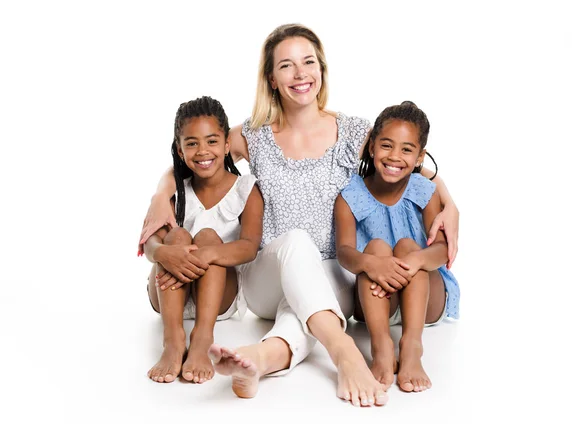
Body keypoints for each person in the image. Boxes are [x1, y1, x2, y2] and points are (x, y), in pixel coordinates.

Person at [138, 24, 459, 407]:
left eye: (308, 62)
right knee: (297, 244)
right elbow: (201, 156)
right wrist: (161, 193)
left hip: (334, 274)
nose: (300, 73)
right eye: (286, 66)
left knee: (306, 306)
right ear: (272, 78)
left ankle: (257, 360)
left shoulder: (354, 132)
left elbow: (407, 164)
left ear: (321, 70)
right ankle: (344, 353)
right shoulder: (254, 134)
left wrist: (451, 205)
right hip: (267, 275)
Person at [334, 101, 460, 393]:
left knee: (406, 246)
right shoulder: (351, 195)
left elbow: (442, 249)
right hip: (378, 299)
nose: (394, 156)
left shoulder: (424, 190)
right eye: (387, 146)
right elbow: (344, 252)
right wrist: (371, 264)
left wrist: (414, 261)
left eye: (406, 149)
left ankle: (412, 347)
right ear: (372, 147)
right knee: (376, 248)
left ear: (419, 157)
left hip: (425, 297)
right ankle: (381, 347)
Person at [143, 96, 264, 385]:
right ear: (179, 150)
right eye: (192, 143)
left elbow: (249, 247)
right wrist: (164, 254)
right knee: (177, 236)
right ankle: (173, 341)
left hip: (218, 299)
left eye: (211, 141)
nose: (202, 151)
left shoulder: (246, 189)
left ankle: (201, 338)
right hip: (169, 295)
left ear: (226, 145)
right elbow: (150, 241)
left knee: (209, 237)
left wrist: (207, 255)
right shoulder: (176, 192)